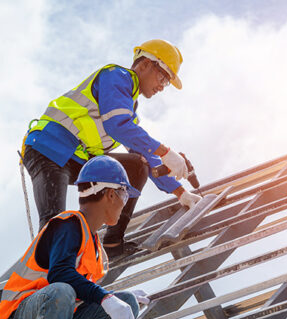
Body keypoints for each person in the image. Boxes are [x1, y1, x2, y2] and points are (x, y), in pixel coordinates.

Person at [21, 39, 201, 260]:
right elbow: (118, 125)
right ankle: (50, 279)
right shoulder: (117, 77)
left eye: (167, 82)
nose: (162, 86)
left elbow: (145, 156)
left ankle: (112, 244)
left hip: (78, 160)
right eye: (163, 77)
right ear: (144, 64)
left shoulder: (128, 106)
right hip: (49, 149)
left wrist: (181, 193)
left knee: (137, 166)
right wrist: (166, 151)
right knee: (54, 222)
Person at [0, 156, 150, 319]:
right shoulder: (69, 225)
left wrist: (116, 299)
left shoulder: (93, 244)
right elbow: (60, 274)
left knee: (128, 303)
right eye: (125, 196)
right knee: (62, 290)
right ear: (111, 195)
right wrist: (106, 298)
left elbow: (81, 291)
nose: (125, 205)